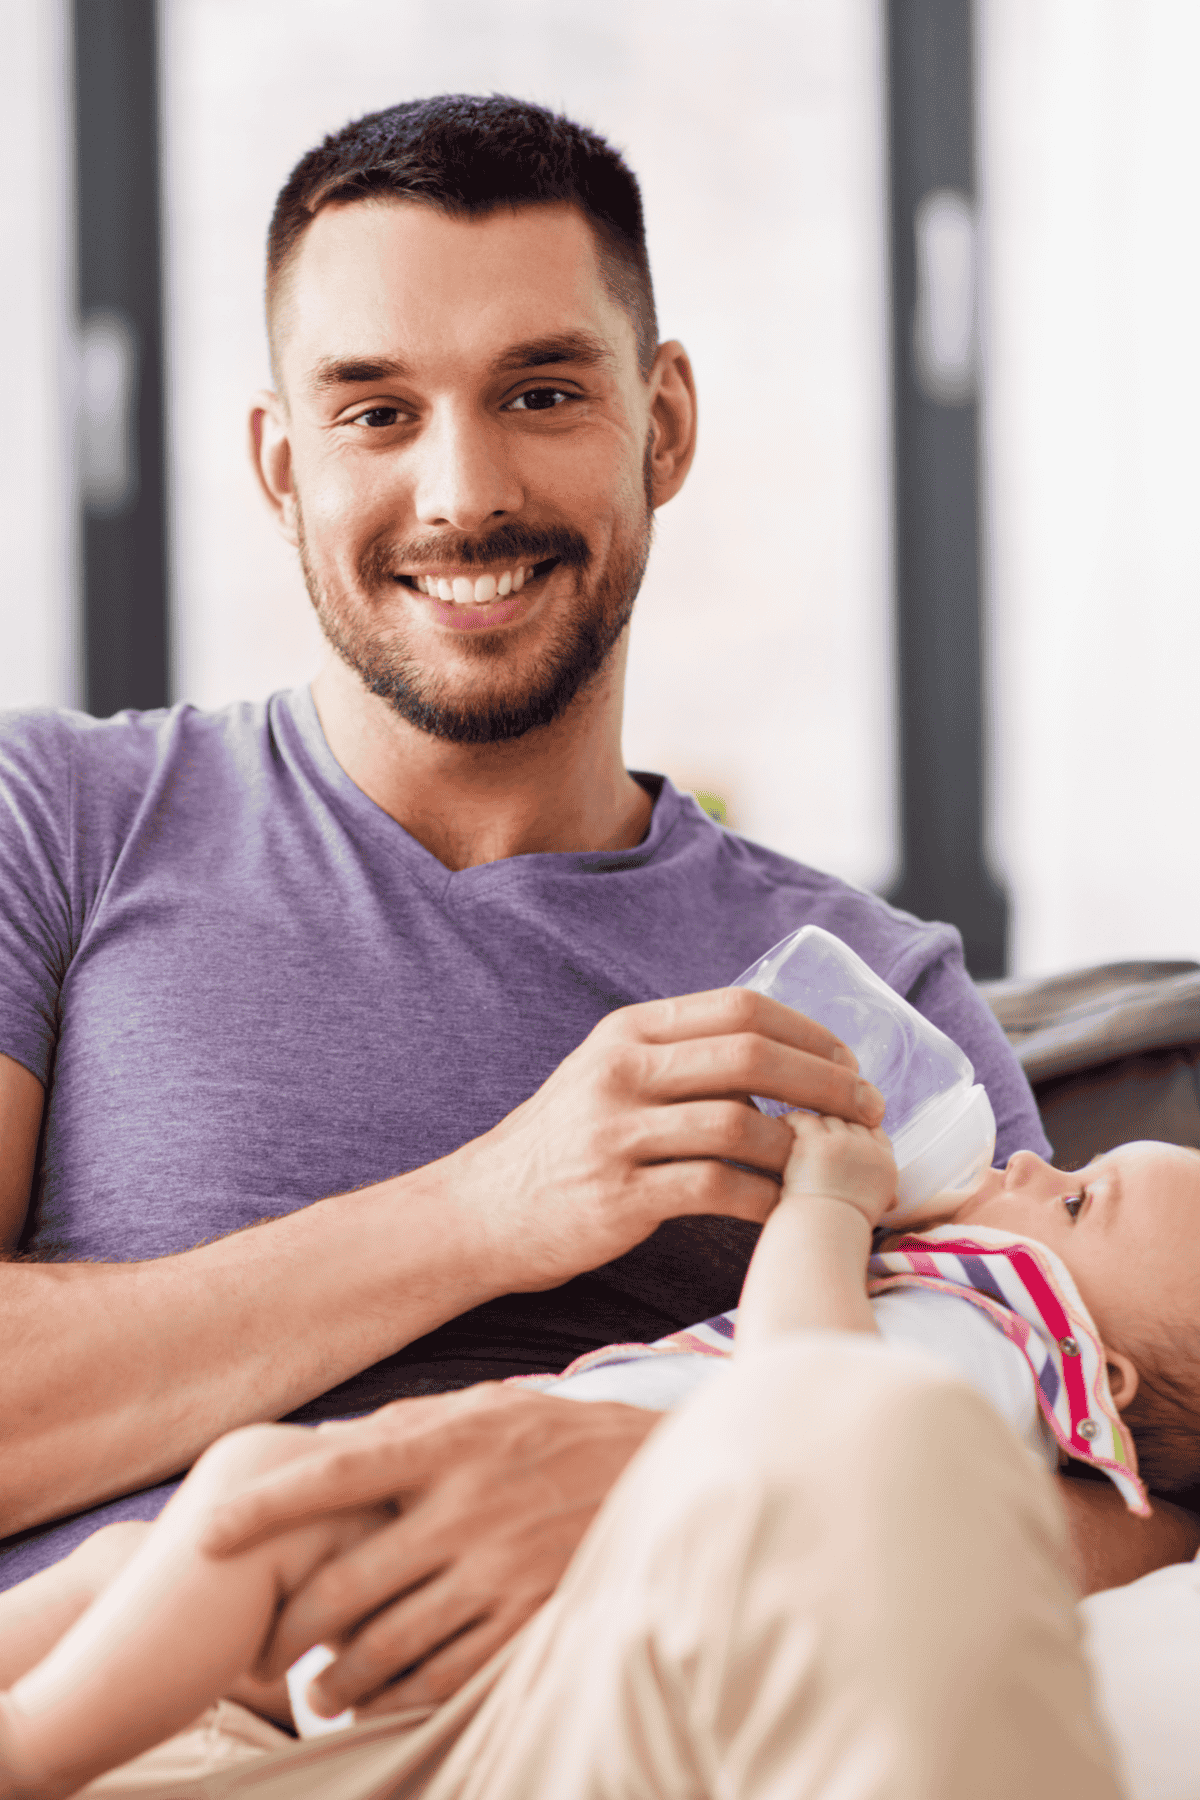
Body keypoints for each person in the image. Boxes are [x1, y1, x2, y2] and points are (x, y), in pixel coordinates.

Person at [0, 90, 1194, 1722]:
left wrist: (657, 1484)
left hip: (625, 1718)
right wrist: (487, 1210)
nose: (462, 491)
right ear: (281, 467)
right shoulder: (55, 822)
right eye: (375, 414)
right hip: (143, 1722)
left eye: (543, 391)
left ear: (666, 423)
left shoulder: (880, 999)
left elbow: (1112, 1489)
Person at [5, 1127, 1192, 1797]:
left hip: (524, 1653)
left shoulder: (1007, 1335)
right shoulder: (61, 826)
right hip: (276, 1695)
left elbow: (815, 1395)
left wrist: (825, 1207)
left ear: (1112, 1381)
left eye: (1082, 1200)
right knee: (137, 1555)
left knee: (249, 1499)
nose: (1035, 1162)